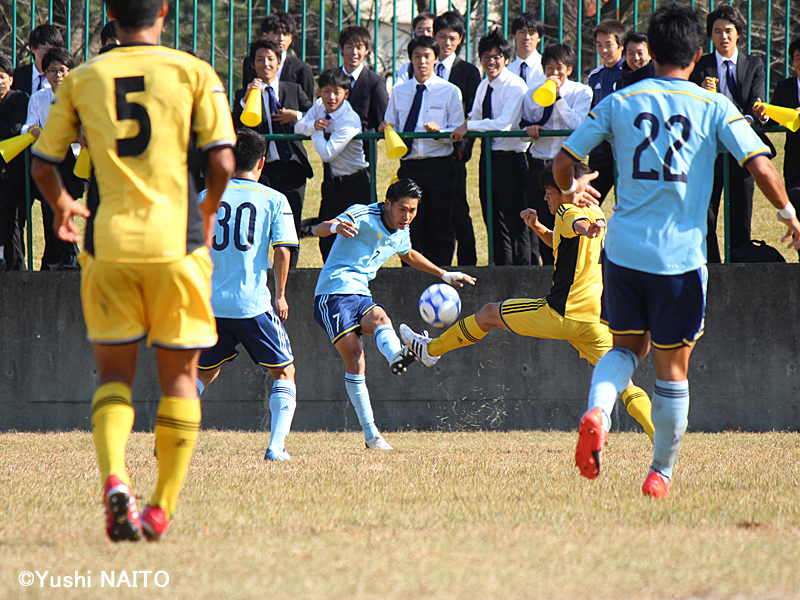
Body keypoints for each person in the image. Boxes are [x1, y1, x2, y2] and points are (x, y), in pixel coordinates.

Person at [553, 3, 800, 498]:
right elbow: (760, 164)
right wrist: (789, 213)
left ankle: (598, 410)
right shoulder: (712, 105)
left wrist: (572, 188)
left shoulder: (620, 100)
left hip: (622, 252)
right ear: (696, 55)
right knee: (672, 369)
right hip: (680, 260)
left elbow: (564, 159)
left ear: (651, 49)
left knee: (625, 348)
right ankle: (660, 473)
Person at [31, 0, 236, 541]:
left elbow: (43, 163)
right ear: (164, 12)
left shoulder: (83, 78)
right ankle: (160, 508)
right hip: (178, 246)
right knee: (181, 380)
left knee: (115, 377)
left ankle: (116, 479)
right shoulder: (194, 72)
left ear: (110, 16)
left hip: (110, 243)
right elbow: (221, 161)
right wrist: (209, 208)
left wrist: (61, 206)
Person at [400, 162, 654, 441]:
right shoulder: (594, 211)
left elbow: (575, 226)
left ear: (566, 190)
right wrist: (537, 226)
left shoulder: (569, 211)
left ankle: (430, 350)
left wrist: (585, 229)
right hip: (593, 321)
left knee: (487, 314)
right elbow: (563, 238)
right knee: (625, 383)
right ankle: (661, 436)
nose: (545, 197)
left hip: (561, 313)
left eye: (549, 191)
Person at [312, 179, 475, 450]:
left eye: (413, 210)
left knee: (381, 319)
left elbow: (408, 253)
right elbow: (318, 229)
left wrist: (443, 274)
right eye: (402, 209)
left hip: (360, 294)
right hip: (333, 294)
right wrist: (334, 226)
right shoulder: (362, 214)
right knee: (355, 359)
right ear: (387, 204)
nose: (407, 216)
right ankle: (371, 434)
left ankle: (398, 356)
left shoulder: (402, 231)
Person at [196, 129, 299, 461]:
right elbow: (283, 250)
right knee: (284, 371)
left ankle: (172, 432)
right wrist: (281, 294)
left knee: (203, 373)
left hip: (210, 304)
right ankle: (276, 447)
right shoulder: (274, 199)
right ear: (262, 162)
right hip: (251, 304)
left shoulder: (204, 197)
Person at [690, 3, 769, 263]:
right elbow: (690, 107)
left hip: (742, 148)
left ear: (738, 34)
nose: (723, 36)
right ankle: (710, 266)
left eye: (728, 30)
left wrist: (744, 120)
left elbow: (755, 103)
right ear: (710, 36)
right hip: (708, 152)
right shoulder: (699, 67)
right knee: (705, 215)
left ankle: (739, 266)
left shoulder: (754, 63)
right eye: (716, 31)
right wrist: (701, 92)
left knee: (740, 214)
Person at [380, 36, 463, 267]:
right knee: (410, 226)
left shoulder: (450, 91)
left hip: (440, 165)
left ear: (436, 59)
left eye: (427, 56)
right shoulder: (400, 91)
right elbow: (390, 122)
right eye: (417, 56)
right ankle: (411, 277)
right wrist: (384, 126)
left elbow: (458, 129)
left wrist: (441, 130)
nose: (422, 61)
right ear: (410, 60)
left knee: (441, 225)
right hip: (410, 166)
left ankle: (441, 275)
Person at [233, 37, 312, 269]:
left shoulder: (293, 89)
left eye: (270, 59)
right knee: (257, 225)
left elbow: (315, 115)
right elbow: (236, 128)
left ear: (279, 62)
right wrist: (244, 100)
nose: (265, 64)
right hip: (261, 170)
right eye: (259, 59)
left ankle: (291, 276)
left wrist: (295, 116)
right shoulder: (243, 93)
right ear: (252, 64)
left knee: (290, 226)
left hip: (292, 167)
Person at [452, 28, 529, 266]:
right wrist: (464, 126)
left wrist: (470, 125)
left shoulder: (515, 85)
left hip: (512, 159)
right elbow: (473, 116)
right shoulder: (483, 86)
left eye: (496, 57)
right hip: (488, 159)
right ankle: (501, 270)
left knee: (516, 221)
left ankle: (524, 270)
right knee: (492, 219)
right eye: (486, 57)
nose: (491, 62)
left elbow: (504, 124)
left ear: (506, 59)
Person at [521, 43, 592, 266]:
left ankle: (570, 267)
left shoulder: (581, 92)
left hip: (567, 167)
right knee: (540, 217)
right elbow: (521, 129)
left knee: (569, 217)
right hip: (538, 164)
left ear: (569, 69)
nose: (554, 72)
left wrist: (558, 98)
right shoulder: (532, 93)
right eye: (549, 67)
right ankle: (545, 270)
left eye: (559, 67)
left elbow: (577, 125)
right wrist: (529, 131)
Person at [295, 68, 370, 261]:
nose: (331, 97)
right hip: (331, 185)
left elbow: (327, 153)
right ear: (319, 91)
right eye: (327, 91)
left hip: (355, 183)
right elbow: (298, 126)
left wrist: (315, 130)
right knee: (325, 237)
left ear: (346, 93)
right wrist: (313, 125)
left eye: (337, 92)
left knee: (355, 239)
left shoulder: (349, 120)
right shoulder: (319, 106)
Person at [23, 47, 87, 270]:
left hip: (75, 158)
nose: (58, 75)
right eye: (52, 71)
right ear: (45, 73)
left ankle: (69, 254)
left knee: (59, 203)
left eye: (62, 70)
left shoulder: (81, 96)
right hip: (51, 157)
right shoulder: (39, 98)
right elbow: (27, 125)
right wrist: (31, 130)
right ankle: (68, 254)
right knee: (53, 205)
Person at [433, 10, 481, 267]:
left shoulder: (468, 71)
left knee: (458, 210)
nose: (447, 43)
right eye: (442, 37)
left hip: (454, 152)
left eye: (452, 37)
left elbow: (474, 112)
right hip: (427, 151)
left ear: (461, 38)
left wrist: (462, 149)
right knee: (432, 212)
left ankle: (468, 263)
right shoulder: (423, 66)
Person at [764, 37, 800, 261]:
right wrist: (764, 114)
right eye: (797, 58)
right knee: (795, 201)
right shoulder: (785, 86)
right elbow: (773, 118)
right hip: (795, 160)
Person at [338, 25, 389, 171]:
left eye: (359, 47)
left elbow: (382, 119)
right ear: (341, 48)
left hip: (364, 152)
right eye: (349, 47)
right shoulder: (331, 77)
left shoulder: (375, 82)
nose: (354, 52)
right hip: (334, 151)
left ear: (366, 50)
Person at [586, 19, 626, 205]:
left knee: (626, 203)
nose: (603, 51)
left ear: (621, 45)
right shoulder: (595, 76)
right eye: (599, 45)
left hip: (624, 149)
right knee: (589, 202)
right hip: (600, 150)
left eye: (608, 45)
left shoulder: (630, 73)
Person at [242, 11, 315, 100]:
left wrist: (295, 114)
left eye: (286, 34)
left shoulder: (301, 68)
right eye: (276, 33)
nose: (281, 39)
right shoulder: (250, 62)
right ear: (265, 35)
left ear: (291, 39)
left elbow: (308, 108)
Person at [0, 54, 29, 271]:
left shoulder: (20, 99)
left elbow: (16, 129)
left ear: (11, 79)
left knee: (13, 220)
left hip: (13, 176)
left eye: (2, 77)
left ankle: (12, 262)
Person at [12, 24, 63, 100]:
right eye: (45, 49)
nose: (50, 53)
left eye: (55, 49)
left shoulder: (63, 77)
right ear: (32, 48)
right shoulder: (17, 76)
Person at [394, 12, 436, 86]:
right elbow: (399, 92)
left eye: (429, 30)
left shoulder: (444, 66)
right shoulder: (407, 68)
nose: (425, 34)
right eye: (420, 31)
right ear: (414, 35)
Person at [508, 11, 545, 89]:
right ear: (514, 36)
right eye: (522, 32)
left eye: (532, 33)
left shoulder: (545, 68)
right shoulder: (508, 71)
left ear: (539, 38)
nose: (527, 37)